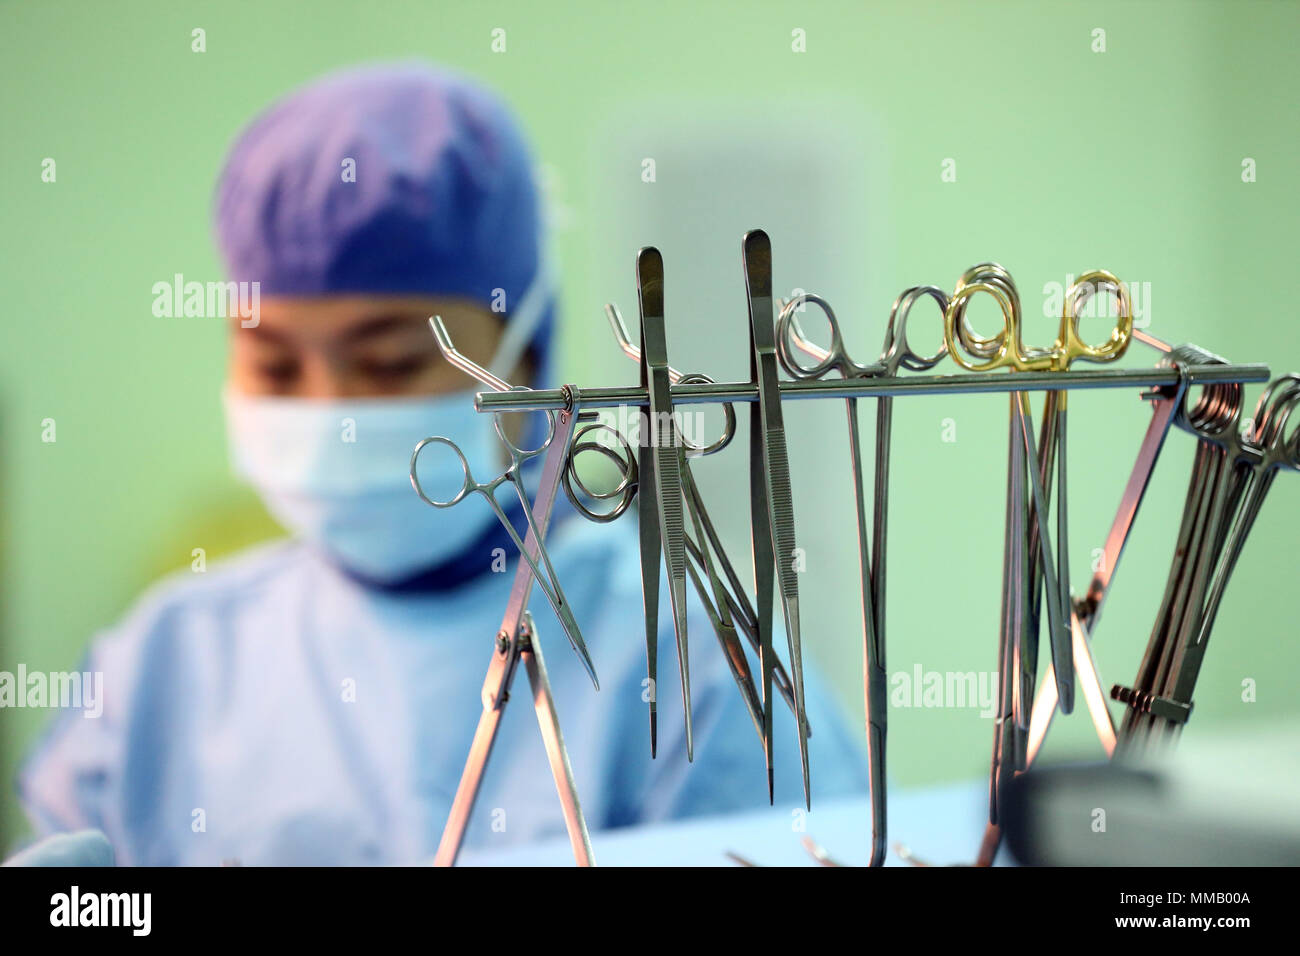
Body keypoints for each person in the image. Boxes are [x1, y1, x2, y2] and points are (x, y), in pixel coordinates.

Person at [17, 62, 867, 866]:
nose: (328, 416)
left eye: (390, 362)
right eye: (275, 367)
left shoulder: (695, 669)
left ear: (528, 361)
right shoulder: (163, 666)